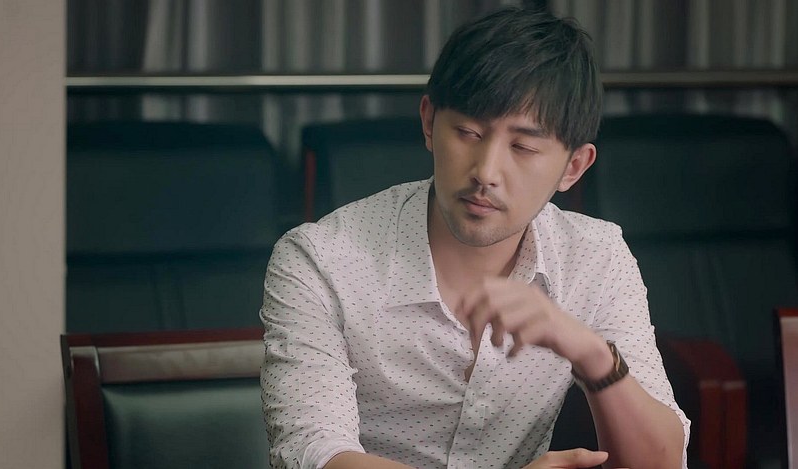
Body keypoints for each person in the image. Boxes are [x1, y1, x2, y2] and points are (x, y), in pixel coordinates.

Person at [260, 6, 689, 469]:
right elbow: (314, 454)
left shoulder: (595, 256)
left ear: (573, 167)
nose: (486, 172)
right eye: (467, 132)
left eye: (523, 147)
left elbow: (662, 463)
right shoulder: (320, 258)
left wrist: (591, 354)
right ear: (429, 122)